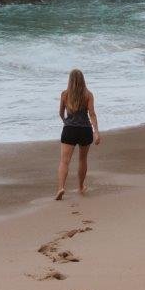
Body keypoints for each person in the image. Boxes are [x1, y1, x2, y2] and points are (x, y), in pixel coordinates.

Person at [56, 68, 101, 200]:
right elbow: (92, 114)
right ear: (83, 80)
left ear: (70, 80)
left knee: (64, 161)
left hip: (69, 129)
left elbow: (60, 113)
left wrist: (66, 121)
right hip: (85, 130)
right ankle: (80, 186)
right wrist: (96, 132)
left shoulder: (65, 94)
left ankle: (61, 188)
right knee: (82, 160)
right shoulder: (88, 94)